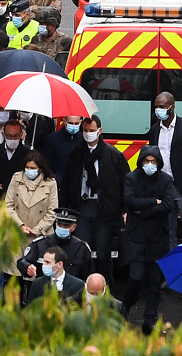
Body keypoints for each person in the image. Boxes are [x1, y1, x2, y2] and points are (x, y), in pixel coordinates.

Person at [60, 115, 130, 285]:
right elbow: (68, 181)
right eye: (85, 131)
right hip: (82, 208)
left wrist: (125, 209)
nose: (88, 134)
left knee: (103, 252)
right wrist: (64, 208)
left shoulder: (113, 155)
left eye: (92, 131)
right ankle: (82, 284)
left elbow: (124, 183)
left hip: (105, 209)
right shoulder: (76, 152)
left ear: (100, 131)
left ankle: (105, 285)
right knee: (81, 248)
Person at [122, 145, 174, 335]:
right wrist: (154, 201)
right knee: (135, 277)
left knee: (154, 282)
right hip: (136, 237)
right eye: (146, 161)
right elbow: (130, 201)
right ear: (141, 162)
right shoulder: (131, 178)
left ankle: (150, 319)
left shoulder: (166, 180)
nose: (150, 165)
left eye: (153, 162)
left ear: (158, 163)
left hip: (157, 238)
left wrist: (142, 212)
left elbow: (168, 205)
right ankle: (124, 307)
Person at [148, 92, 182, 248]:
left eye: (162, 107)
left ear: (172, 107)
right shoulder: (155, 130)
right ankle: (171, 269)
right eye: (156, 107)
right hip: (164, 188)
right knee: (168, 232)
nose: (158, 110)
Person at [4, 150, 58, 282]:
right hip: (17, 234)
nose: (29, 170)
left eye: (33, 168)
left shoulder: (51, 183)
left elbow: (52, 212)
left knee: (36, 276)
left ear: (40, 169)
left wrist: (36, 230)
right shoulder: (16, 178)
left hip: (40, 236)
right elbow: (8, 205)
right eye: (27, 167)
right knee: (14, 275)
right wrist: (20, 225)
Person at [17, 207, 94, 281]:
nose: (62, 227)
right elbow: (22, 261)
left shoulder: (81, 248)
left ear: (73, 227)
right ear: (56, 223)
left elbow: (89, 275)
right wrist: (27, 267)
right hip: (44, 289)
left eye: (66, 225)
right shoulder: (40, 244)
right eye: (60, 224)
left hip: (71, 291)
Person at [0, 120, 30, 198]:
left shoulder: (28, 153)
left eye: (16, 136)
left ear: (21, 134)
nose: (13, 139)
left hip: (20, 197)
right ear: (3, 135)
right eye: (9, 136)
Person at [43, 116, 84, 184]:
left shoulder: (83, 139)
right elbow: (46, 162)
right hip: (58, 183)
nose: (73, 126)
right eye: (70, 123)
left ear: (80, 122)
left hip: (78, 184)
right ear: (64, 122)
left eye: (76, 123)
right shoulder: (52, 139)